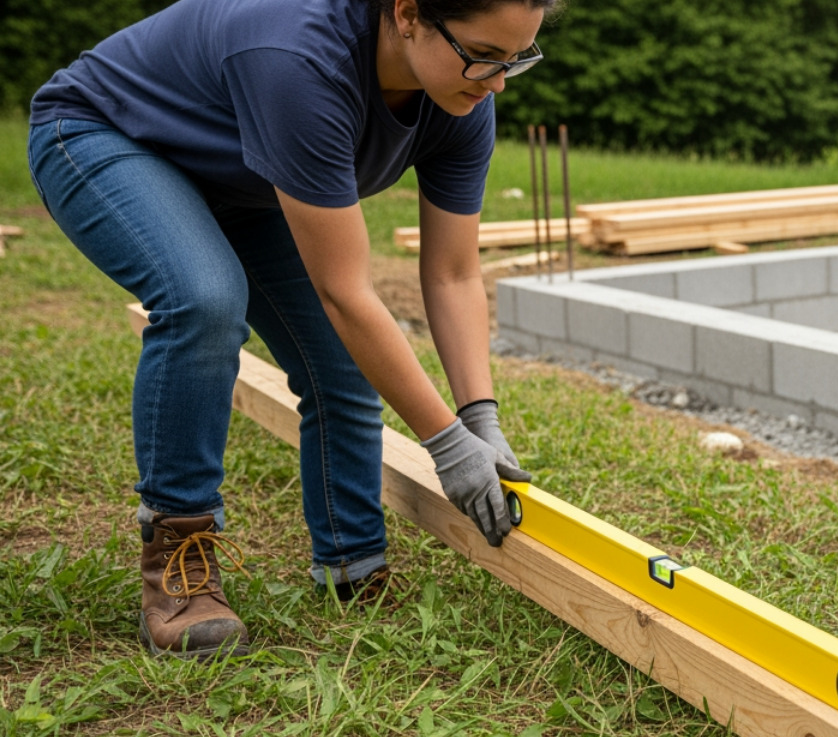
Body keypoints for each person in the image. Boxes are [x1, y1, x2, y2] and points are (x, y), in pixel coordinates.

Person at [27, 0, 555, 660]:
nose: (498, 81)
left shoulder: (464, 99)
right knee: (205, 300)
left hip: (240, 177)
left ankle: (353, 565)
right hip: (102, 134)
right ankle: (179, 564)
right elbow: (346, 291)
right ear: (411, 13)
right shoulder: (302, 60)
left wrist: (481, 418)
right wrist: (446, 444)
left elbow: (451, 276)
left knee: (341, 362)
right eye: (483, 55)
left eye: (516, 59)